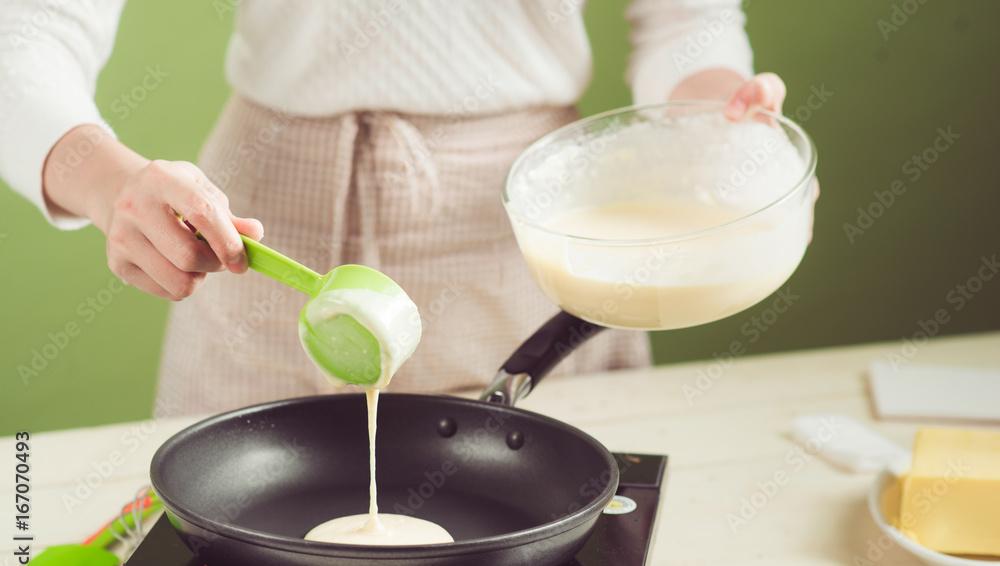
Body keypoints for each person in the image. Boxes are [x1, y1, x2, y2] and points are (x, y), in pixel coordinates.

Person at [0, 1, 791, 417]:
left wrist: (723, 128)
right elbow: (24, 29)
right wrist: (109, 182)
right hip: (258, 228)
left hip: (533, 226)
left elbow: (688, 19)